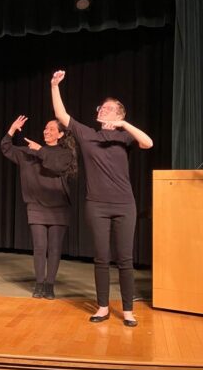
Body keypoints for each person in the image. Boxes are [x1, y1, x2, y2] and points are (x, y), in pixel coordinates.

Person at [50, 70, 153, 327]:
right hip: (96, 205)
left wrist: (124, 125)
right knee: (101, 258)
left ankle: (128, 310)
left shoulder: (125, 136)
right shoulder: (87, 134)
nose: (102, 111)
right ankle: (103, 306)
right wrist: (54, 86)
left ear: (119, 115)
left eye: (108, 109)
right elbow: (62, 116)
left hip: (124, 204)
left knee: (125, 259)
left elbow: (148, 143)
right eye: (101, 108)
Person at [1, 116, 76, 299]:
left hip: (59, 206)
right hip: (36, 206)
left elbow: (56, 166)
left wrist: (40, 150)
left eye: (51, 129)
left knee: (55, 248)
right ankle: (39, 283)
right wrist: (11, 129)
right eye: (45, 128)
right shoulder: (29, 152)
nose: (46, 131)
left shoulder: (65, 153)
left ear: (60, 134)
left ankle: (50, 285)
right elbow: (6, 148)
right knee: (40, 247)